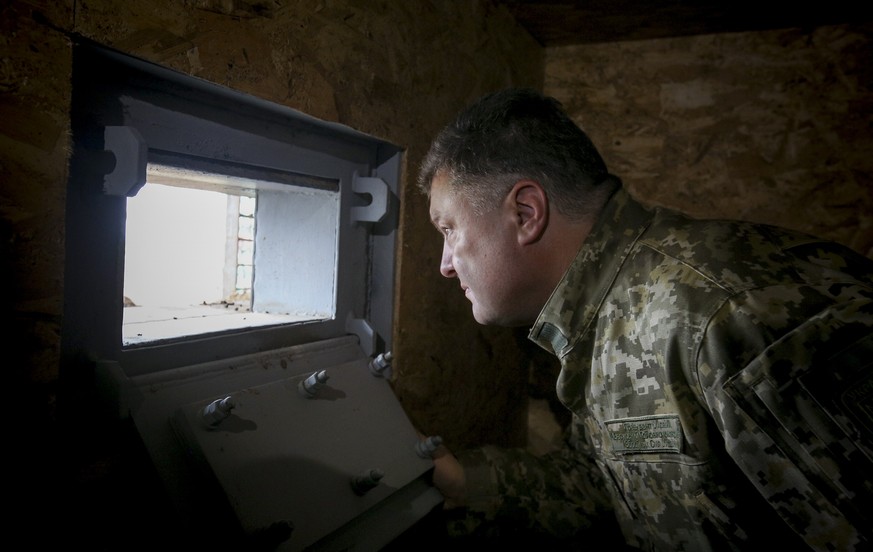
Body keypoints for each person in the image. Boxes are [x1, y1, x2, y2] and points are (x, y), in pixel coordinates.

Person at [416, 87, 873, 551]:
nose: (446, 263)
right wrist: (470, 483)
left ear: (525, 213)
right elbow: (607, 482)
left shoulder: (724, 318)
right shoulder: (604, 314)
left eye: (449, 229)